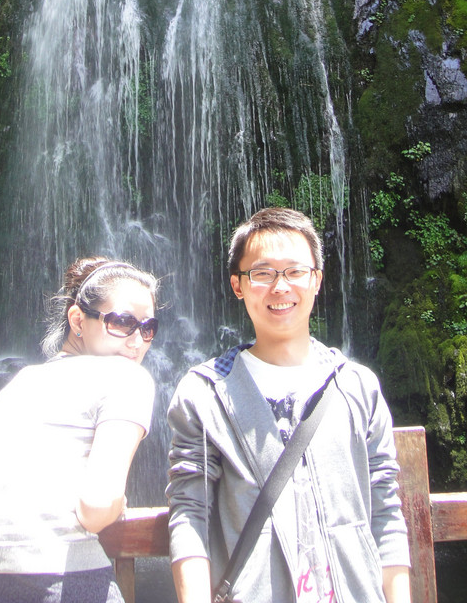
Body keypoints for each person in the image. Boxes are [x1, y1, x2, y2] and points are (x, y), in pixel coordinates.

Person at [166, 208, 411, 603]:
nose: (280, 287)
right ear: (238, 285)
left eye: (296, 271)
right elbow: (190, 513)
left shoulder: (356, 386)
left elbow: (385, 510)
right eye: (262, 273)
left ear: (317, 279)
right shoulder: (204, 394)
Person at [0, 257, 159, 603]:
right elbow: (97, 507)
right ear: (77, 319)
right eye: (122, 322)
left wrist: (15, 497)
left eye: (148, 328)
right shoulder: (128, 376)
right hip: (69, 584)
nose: (137, 341)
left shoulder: (22, 382)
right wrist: (116, 501)